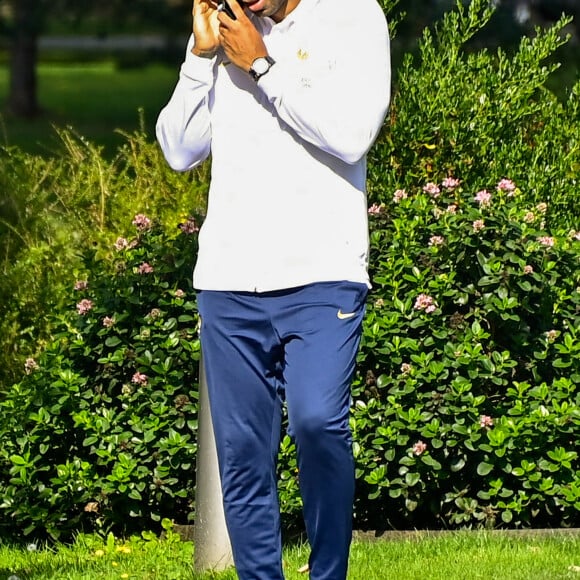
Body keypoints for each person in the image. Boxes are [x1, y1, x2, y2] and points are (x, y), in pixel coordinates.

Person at [156, 0, 390, 577]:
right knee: (242, 459)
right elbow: (179, 150)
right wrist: (199, 55)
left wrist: (262, 67)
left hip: (323, 274)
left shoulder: (355, 17)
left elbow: (353, 135)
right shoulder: (227, 34)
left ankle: (327, 571)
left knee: (317, 422)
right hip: (230, 280)